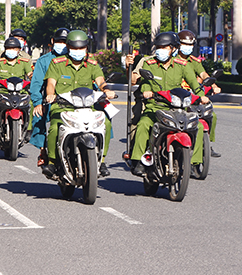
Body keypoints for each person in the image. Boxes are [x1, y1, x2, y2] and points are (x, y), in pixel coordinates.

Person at [129, 32, 209, 177]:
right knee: (143, 124)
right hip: (155, 108)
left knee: (199, 126)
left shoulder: (182, 66)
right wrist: (147, 92)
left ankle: (193, 162)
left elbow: (194, 83)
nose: (161, 50)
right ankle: (139, 161)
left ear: (173, 49)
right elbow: (145, 83)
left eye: (164, 47)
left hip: (177, 108)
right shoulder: (149, 64)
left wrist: (202, 96)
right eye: (158, 47)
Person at [42, 30, 115, 178]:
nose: (78, 51)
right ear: (68, 47)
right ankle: (52, 162)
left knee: (106, 124)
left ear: (86, 48)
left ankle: (101, 161)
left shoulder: (92, 64)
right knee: (55, 128)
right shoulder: (57, 64)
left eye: (81, 48)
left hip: (87, 107)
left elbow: (100, 80)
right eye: (75, 48)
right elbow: (51, 83)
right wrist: (50, 94)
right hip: (63, 106)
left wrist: (106, 90)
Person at [177, 29, 222, 159]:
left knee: (211, 114)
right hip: (177, 96)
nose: (188, 47)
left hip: (194, 95)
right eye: (185, 44)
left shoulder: (194, 61)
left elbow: (203, 74)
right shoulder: (172, 61)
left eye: (190, 45)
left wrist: (213, 85)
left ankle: (207, 144)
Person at [30, 28, 69, 156]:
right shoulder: (44, 60)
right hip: (52, 100)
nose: (62, 44)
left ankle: (99, 157)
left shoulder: (78, 60)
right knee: (38, 116)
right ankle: (43, 151)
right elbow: (36, 84)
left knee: (104, 115)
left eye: (65, 41)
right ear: (53, 41)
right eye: (59, 41)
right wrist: (37, 102)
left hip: (78, 102)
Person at [0, 37, 33, 142]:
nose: (11, 51)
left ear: (19, 50)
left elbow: (30, 74)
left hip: (20, 92)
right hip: (3, 92)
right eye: (9, 48)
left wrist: (33, 80)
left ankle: (29, 130)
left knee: (30, 103)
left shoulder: (24, 62)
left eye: (14, 48)